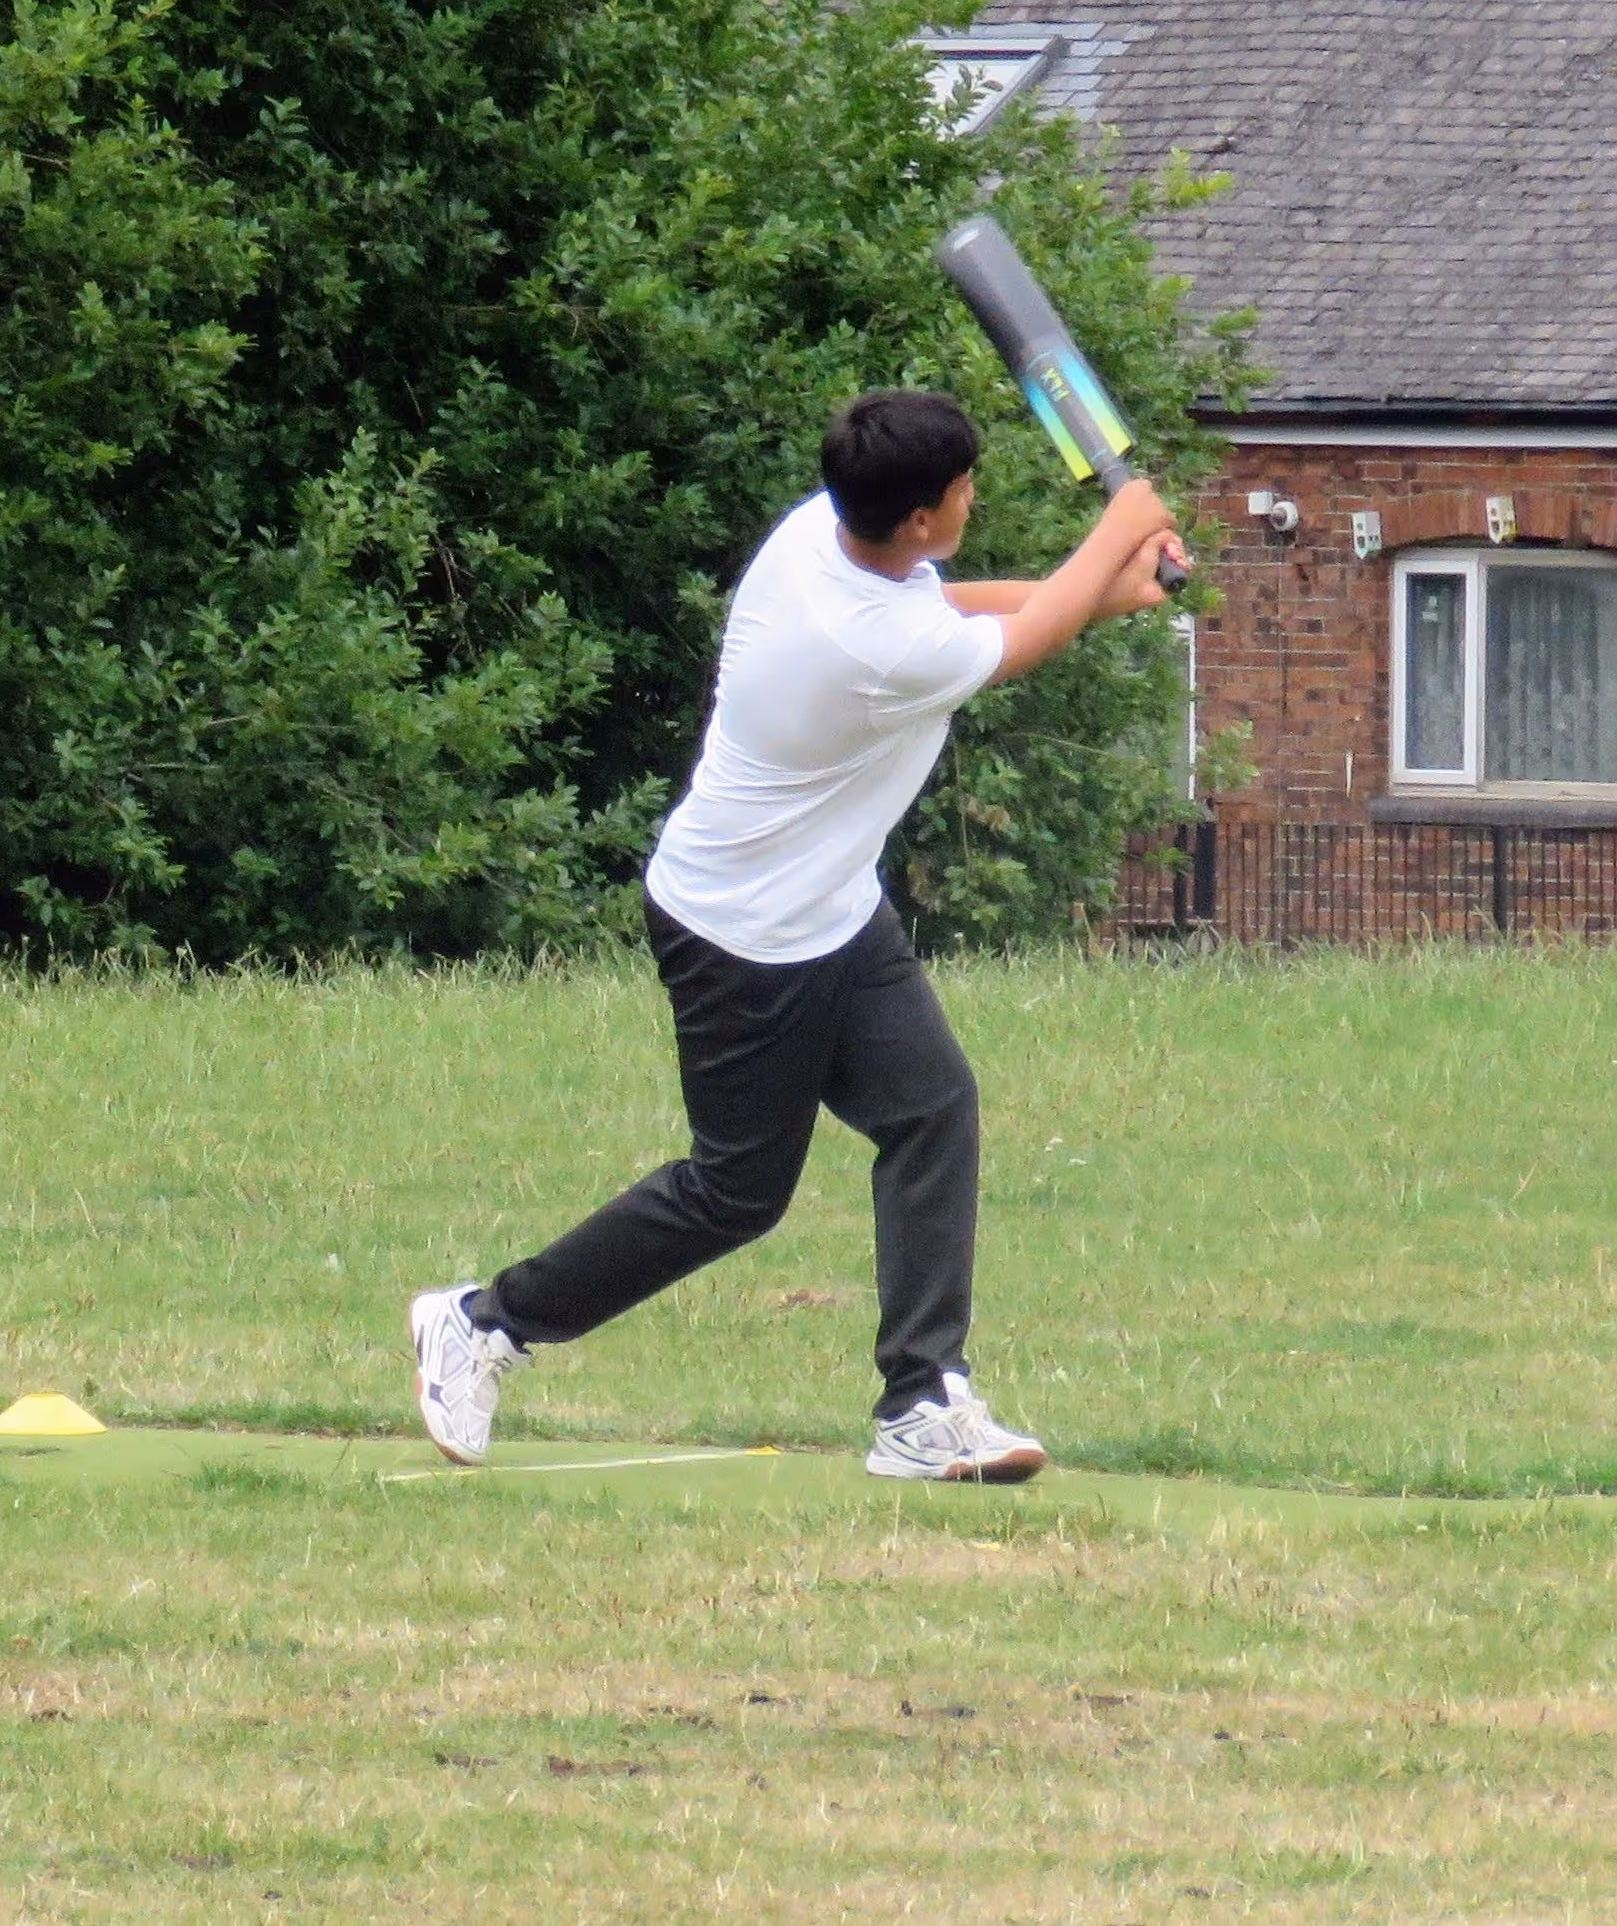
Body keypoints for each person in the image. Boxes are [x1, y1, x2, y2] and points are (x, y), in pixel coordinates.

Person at [410, 389, 1182, 1481]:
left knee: (930, 1109)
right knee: (735, 1193)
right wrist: (1121, 522)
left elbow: (966, 605)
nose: (971, 500)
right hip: (740, 931)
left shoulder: (823, 536)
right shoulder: (871, 645)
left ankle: (922, 1404)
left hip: (830, 906)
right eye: (963, 491)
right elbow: (1016, 637)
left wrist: (1108, 585)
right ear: (918, 513)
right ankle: (484, 1323)